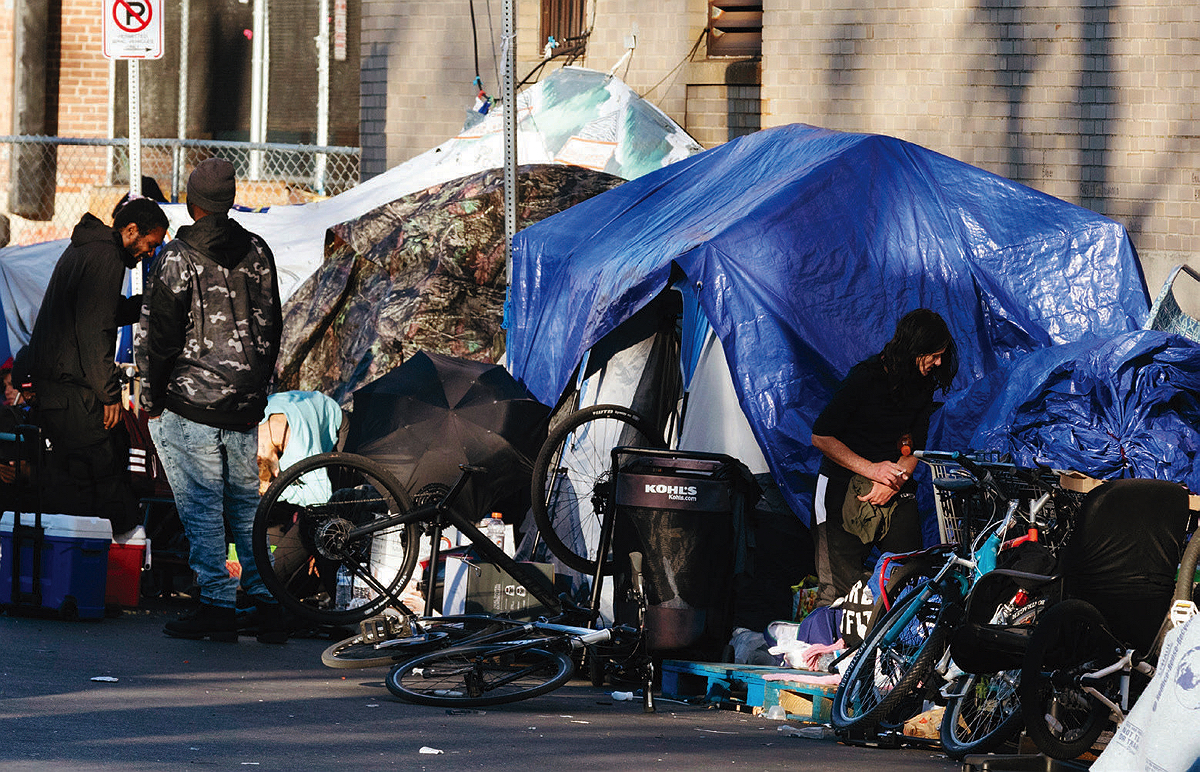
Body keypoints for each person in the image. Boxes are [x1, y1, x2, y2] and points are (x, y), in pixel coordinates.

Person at [135, 157, 285, 643]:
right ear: (232, 199)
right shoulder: (258, 250)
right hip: (243, 403)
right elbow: (273, 324)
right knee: (245, 505)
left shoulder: (177, 257)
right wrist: (256, 385)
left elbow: (160, 336)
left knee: (201, 505)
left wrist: (152, 394)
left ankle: (217, 603)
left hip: (190, 401)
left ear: (190, 201)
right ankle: (264, 601)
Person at [24, 198, 169, 534]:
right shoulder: (106, 256)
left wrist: (144, 305)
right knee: (101, 475)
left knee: (74, 480)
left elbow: (100, 310)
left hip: (57, 391)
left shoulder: (88, 249)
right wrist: (108, 394)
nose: (150, 253)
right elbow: (95, 330)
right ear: (131, 231)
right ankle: (123, 555)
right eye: (150, 244)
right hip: (72, 393)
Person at [810, 308, 959, 606]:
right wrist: (874, 471)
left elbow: (916, 446)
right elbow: (821, 437)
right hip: (843, 488)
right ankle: (834, 649)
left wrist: (894, 481)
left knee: (910, 579)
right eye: (933, 355)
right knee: (840, 592)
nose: (939, 362)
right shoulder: (865, 378)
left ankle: (901, 647)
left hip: (894, 487)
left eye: (943, 355)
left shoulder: (923, 383)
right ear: (914, 349)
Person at [257, 390, 345, 500]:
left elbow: (323, 495)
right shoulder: (257, 416)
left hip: (334, 421)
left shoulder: (300, 448)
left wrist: (277, 491)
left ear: (275, 469)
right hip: (309, 403)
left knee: (339, 495)